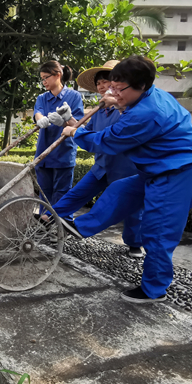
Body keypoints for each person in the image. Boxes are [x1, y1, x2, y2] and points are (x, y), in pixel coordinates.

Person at [62, 56, 192, 304]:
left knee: (158, 230)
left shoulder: (146, 113)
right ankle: (80, 227)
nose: (114, 93)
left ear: (141, 86)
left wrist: (75, 132)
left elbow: (107, 141)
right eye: (112, 86)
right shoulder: (149, 95)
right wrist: (117, 100)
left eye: (120, 89)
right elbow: (124, 109)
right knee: (121, 190)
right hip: (159, 169)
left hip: (180, 173)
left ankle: (154, 290)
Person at [51, 60, 144, 258]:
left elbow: (111, 138)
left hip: (125, 168)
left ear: (118, 84)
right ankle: (49, 218)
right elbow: (87, 133)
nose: (102, 86)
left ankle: (135, 243)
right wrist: (69, 120)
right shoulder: (101, 110)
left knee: (131, 208)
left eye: (106, 81)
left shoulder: (130, 109)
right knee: (77, 194)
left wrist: (118, 104)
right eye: (99, 83)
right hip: (102, 165)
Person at [33, 61, 85, 206]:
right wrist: (41, 119)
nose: (44, 82)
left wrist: (64, 122)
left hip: (64, 153)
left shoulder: (74, 96)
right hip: (44, 153)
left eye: (46, 77)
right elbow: (38, 112)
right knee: (44, 194)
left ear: (58, 75)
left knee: (62, 194)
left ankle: (63, 225)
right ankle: (46, 225)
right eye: (42, 78)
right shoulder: (42, 98)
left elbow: (78, 125)